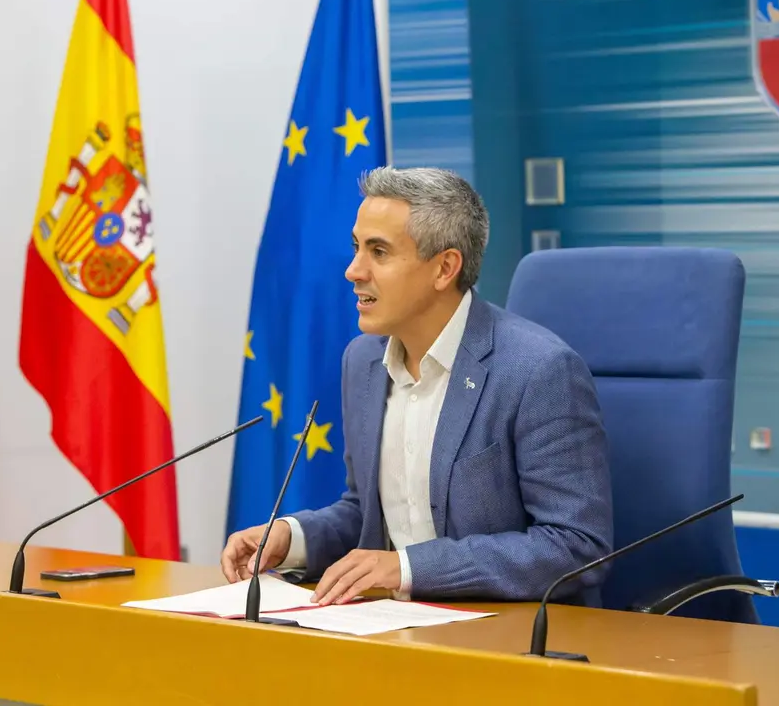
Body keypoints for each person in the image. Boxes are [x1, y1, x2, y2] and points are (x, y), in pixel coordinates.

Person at [220, 166, 613, 608]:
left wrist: (408, 568)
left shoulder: (537, 370)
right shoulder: (363, 361)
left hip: (507, 637)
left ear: (444, 268)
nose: (353, 271)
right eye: (356, 248)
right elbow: (368, 515)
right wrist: (292, 539)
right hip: (394, 629)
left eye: (379, 252)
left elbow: (577, 545)